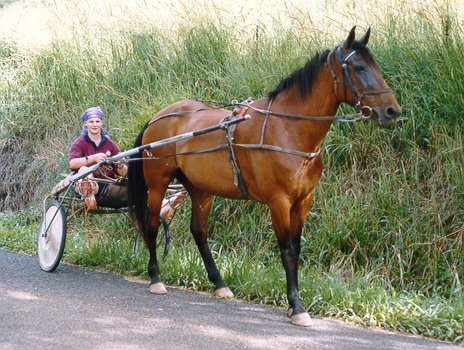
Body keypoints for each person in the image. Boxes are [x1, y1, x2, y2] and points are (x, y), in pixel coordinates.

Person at [69, 106, 128, 209]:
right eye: (91, 121)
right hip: (85, 182)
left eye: (97, 121)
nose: (95, 124)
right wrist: (93, 158)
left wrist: (121, 164)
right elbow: (72, 164)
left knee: (132, 184)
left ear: (102, 122)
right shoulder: (79, 142)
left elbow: (122, 173)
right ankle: (89, 192)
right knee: (84, 169)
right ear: (85, 123)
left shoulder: (110, 144)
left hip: (108, 185)